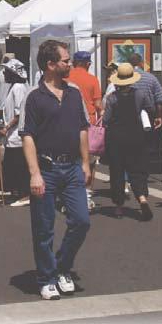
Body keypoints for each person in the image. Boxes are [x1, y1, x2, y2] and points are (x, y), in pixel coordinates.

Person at [19, 40, 91, 300]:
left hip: (72, 167)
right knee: (44, 228)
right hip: (46, 167)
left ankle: (62, 267)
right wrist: (34, 173)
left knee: (81, 221)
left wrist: (86, 162)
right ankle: (47, 277)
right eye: (65, 60)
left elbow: (83, 128)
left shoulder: (74, 92)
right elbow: (27, 135)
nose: (70, 64)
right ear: (51, 65)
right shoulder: (33, 96)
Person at [103, 63, 155, 220]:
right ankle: (142, 198)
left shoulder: (112, 98)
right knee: (137, 170)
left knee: (117, 171)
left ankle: (119, 206)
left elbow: (106, 119)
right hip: (136, 135)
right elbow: (150, 108)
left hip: (116, 138)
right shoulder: (140, 95)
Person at [66, 50, 102, 210]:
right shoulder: (92, 79)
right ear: (88, 63)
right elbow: (98, 104)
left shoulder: (66, 77)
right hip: (88, 125)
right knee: (89, 161)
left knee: (70, 161)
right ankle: (86, 196)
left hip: (68, 123)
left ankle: (69, 196)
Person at [0, 59, 30, 207]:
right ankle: (17, 192)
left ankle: (25, 194)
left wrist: (6, 127)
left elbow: (19, 113)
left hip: (16, 134)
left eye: (7, 71)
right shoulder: (14, 87)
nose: (4, 74)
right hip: (12, 135)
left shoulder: (18, 87)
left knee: (19, 165)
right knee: (13, 165)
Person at [127, 53, 162, 129]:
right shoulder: (152, 78)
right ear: (141, 63)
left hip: (128, 117)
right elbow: (159, 99)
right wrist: (158, 116)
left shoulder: (124, 79)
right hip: (149, 117)